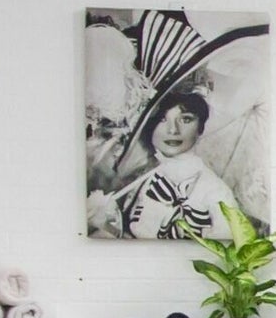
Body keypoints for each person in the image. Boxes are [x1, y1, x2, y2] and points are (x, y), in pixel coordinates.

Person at [95, 88, 237, 241]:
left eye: (185, 119)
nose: (173, 130)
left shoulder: (216, 191)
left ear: (200, 127)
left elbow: (227, 246)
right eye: (162, 119)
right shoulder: (139, 176)